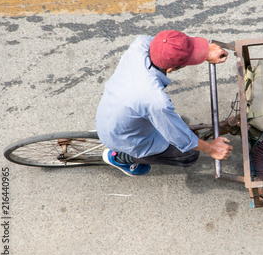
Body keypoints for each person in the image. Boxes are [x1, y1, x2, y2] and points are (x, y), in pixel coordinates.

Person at [95, 30, 233, 176]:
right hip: (122, 137)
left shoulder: (140, 44)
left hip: (111, 108)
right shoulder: (155, 99)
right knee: (188, 154)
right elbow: (181, 138)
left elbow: (172, 48)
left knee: (167, 119)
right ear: (170, 69)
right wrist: (212, 149)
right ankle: (121, 158)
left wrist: (206, 53)